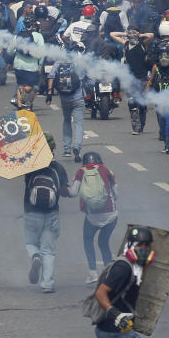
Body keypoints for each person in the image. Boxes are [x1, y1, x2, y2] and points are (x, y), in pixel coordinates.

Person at [23, 133, 71, 293]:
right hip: (52, 214)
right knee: (49, 250)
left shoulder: (30, 166)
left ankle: (35, 256)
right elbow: (64, 191)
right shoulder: (58, 168)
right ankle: (47, 284)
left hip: (31, 212)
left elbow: (27, 186)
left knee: (31, 242)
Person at [68, 151, 118, 284]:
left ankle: (93, 273)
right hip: (111, 215)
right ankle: (108, 273)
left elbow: (73, 193)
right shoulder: (107, 170)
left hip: (92, 216)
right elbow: (116, 193)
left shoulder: (80, 172)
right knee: (103, 242)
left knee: (88, 240)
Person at [46, 46, 87, 161]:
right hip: (78, 98)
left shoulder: (59, 63)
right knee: (79, 123)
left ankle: (67, 149)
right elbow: (88, 78)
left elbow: (51, 76)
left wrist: (49, 94)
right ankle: (77, 147)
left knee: (67, 121)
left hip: (64, 98)